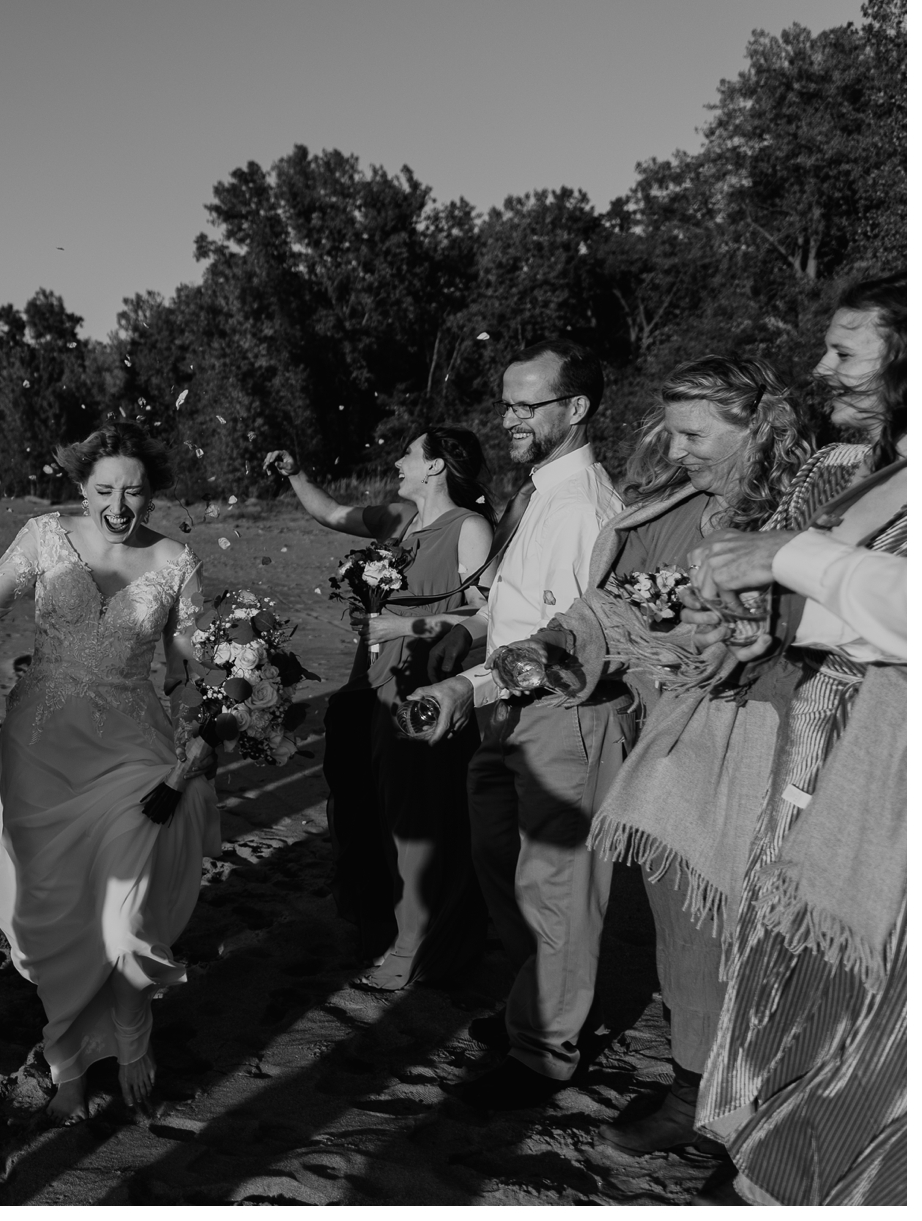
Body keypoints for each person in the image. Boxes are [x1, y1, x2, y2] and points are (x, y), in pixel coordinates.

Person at [482, 357, 814, 1154]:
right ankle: (695, 1083)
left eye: (696, 433)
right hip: (684, 746)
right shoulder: (670, 511)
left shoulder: (814, 514)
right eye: (672, 430)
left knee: (773, 929)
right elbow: (609, 605)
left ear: (753, 426)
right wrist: (553, 648)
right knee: (685, 919)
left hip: (786, 745)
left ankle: (768, 1102)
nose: (680, 448)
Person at [0, 420, 220, 1124]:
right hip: (42, 748)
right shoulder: (45, 535)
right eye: (104, 489)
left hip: (134, 749)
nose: (118, 504)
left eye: (133, 491)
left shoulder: (177, 559)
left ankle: (133, 1032)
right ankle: (67, 1059)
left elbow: (189, 664)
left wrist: (208, 716)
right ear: (81, 486)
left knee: (129, 912)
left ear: (151, 493)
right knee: (53, 915)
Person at [683, 275, 906, 1205]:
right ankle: (774, 1144)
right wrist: (759, 611)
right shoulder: (885, 471)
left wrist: (783, 561)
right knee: (804, 957)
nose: (821, 369)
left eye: (847, 350)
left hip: (886, 782)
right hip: (833, 753)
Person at [403, 338, 629, 1110]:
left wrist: (469, 688)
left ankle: (545, 1054)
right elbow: (517, 611)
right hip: (505, 711)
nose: (509, 417)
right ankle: (533, 1004)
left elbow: (565, 638)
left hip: (562, 713)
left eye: (526, 403)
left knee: (558, 887)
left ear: (578, 408)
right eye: (505, 403)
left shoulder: (582, 506)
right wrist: (466, 639)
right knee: (506, 870)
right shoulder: (536, 494)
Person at [262, 430, 493, 990]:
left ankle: (418, 944)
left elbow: (492, 617)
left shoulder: (470, 528)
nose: (396, 461)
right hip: (366, 682)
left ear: (435, 466)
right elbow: (332, 513)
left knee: (415, 821)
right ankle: (380, 925)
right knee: (362, 808)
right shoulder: (397, 517)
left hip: (421, 685)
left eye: (409, 454)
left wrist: (405, 625)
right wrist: (295, 473)